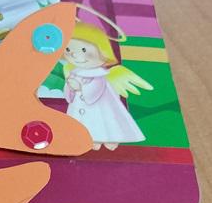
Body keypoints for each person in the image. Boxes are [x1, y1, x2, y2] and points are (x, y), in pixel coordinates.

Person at [62, 22, 151, 150]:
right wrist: (70, 87)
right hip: (79, 105)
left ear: (102, 51)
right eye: (68, 50)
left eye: (83, 50)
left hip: (100, 105)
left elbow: (94, 92)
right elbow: (69, 95)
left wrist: (81, 88)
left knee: (103, 121)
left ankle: (109, 139)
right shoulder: (74, 72)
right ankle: (90, 138)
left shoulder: (98, 75)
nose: (74, 55)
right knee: (83, 121)